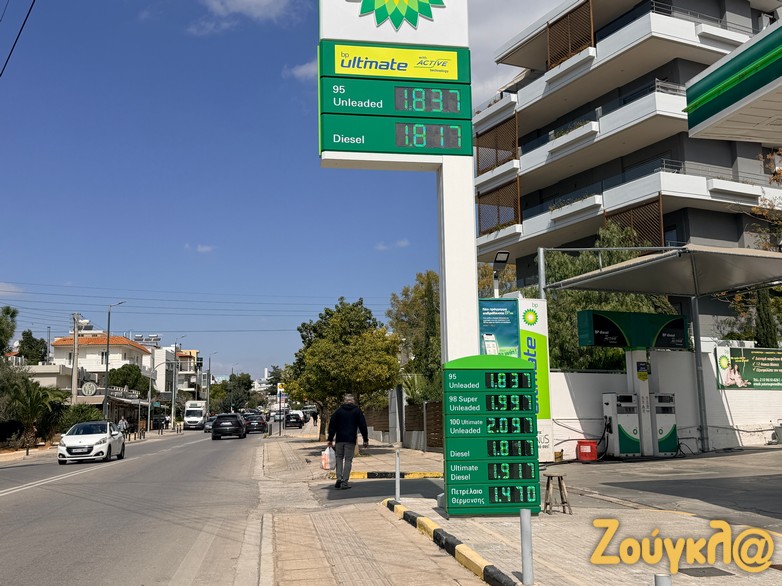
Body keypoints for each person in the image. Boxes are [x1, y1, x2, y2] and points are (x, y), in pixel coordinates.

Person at [327, 394, 368, 490]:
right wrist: (365, 439)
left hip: (339, 439)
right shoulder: (357, 411)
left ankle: (339, 478)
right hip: (350, 439)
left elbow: (332, 426)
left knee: (339, 458)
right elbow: (363, 425)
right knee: (348, 460)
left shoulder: (338, 411)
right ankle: (345, 482)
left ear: (344, 401)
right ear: (353, 401)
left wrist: (330, 439)